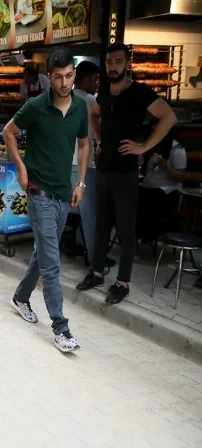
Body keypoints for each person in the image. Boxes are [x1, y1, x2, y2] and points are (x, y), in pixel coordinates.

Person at [76, 42, 178, 304]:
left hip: (126, 172)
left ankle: (122, 283)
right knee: (101, 224)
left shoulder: (139, 92)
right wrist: (98, 139)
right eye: (109, 62)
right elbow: (94, 116)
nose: (113, 66)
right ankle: (97, 273)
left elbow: (169, 117)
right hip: (104, 169)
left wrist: (144, 146)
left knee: (125, 228)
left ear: (127, 64)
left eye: (118, 62)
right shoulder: (105, 92)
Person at [5, 49, 89, 353]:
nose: (64, 82)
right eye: (58, 77)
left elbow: (83, 144)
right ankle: (61, 328)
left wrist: (80, 182)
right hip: (39, 191)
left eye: (69, 76)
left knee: (44, 252)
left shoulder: (80, 108)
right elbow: (8, 132)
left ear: (73, 75)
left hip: (63, 193)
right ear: (49, 77)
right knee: (53, 262)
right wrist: (21, 167)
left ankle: (20, 297)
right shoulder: (36, 107)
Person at [70, 61, 100, 266]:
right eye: (95, 80)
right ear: (87, 79)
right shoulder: (91, 101)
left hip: (65, 164)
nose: (96, 84)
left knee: (64, 213)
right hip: (84, 166)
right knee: (90, 216)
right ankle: (94, 259)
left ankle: (79, 245)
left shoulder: (64, 99)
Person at [137, 128, 186, 242]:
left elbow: (180, 176)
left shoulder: (177, 149)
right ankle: (134, 232)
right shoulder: (150, 147)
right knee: (133, 192)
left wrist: (165, 168)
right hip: (149, 184)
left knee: (150, 196)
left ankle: (149, 232)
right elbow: (145, 171)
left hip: (168, 189)